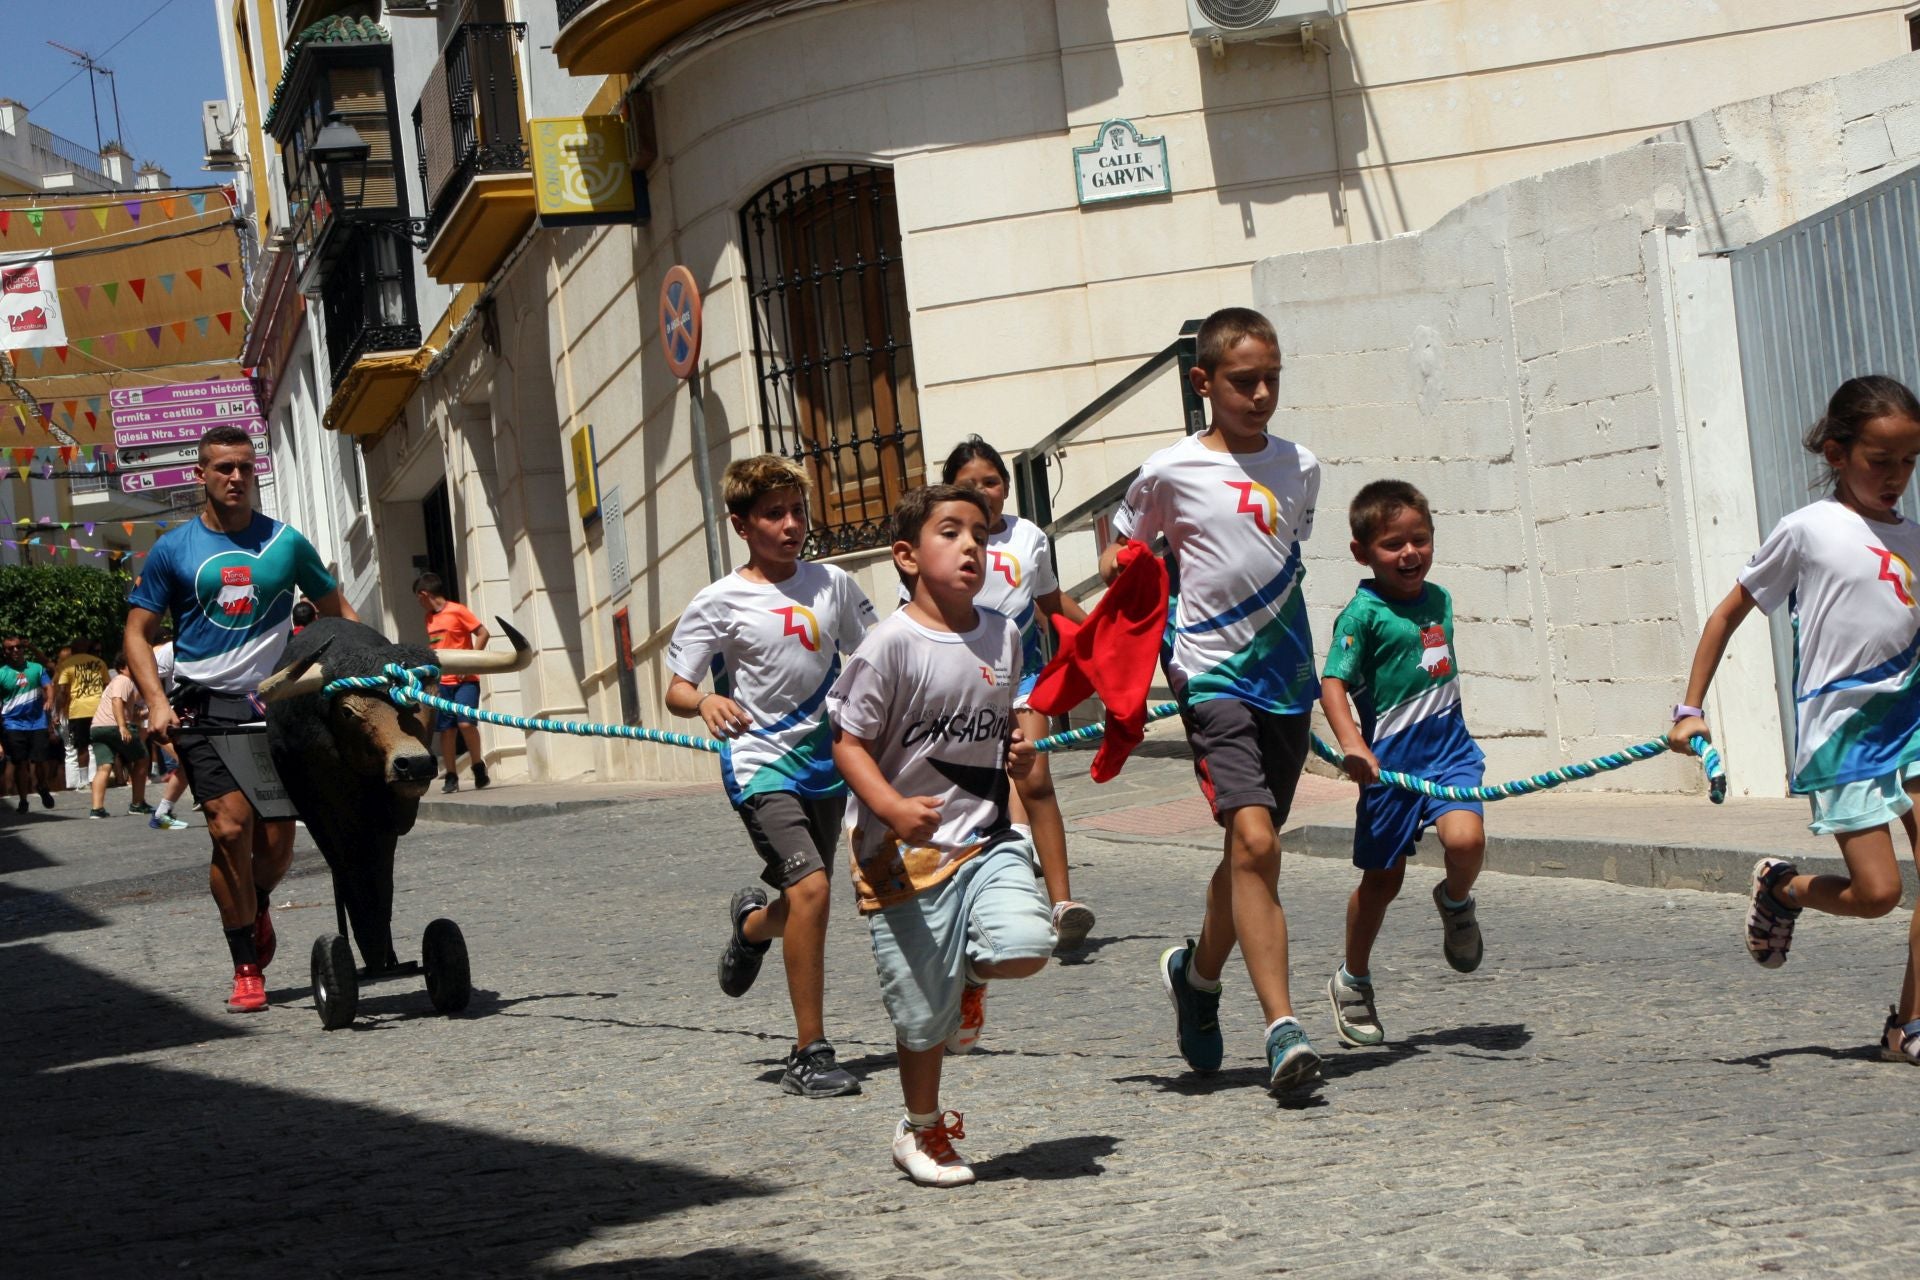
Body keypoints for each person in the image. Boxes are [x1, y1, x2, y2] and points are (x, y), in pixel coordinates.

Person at [1099, 306, 1323, 1094]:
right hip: (1210, 675)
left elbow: (1286, 554)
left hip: (1287, 679)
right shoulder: (1170, 470)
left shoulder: (1302, 464)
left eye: (1271, 379)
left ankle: (1196, 975)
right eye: (1242, 381)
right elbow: (1121, 543)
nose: (1260, 394)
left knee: (1247, 854)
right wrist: (1125, 578)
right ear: (1204, 382)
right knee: (1257, 845)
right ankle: (1283, 1029)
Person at [1671, 375, 1920, 1065]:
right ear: (1837, 453)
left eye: (1909, 461)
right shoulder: (1808, 530)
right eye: (1880, 460)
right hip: (1842, 737)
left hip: (1913, 720)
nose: (1896, 476)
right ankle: (1783, 889)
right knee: (1879, 895)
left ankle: (1909, 1028)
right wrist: (1690, 710)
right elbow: (1728, 614)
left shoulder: (1916, 539)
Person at [830, 484, 1055, 1186]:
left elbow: (1003, 726)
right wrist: (892, 809)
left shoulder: (1005, 633)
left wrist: (1019, 754)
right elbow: (848, 744)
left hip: (987, 834)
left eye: (981, 537)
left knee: (1025, 944)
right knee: (920, 1016)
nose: (971, 548)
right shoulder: (888, 646)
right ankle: (921, 1132)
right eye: (951, 533)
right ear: (906, 555)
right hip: (902, 856)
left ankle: (969, 981)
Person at [126, 423, 356, 1013]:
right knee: (230, 830)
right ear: (200, 475)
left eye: (245, 467)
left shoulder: (285, 542)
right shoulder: (174, 549)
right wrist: (155, 701)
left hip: (275, 707)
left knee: (276, 846)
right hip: (205, 710)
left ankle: (251, 904)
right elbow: (137, 633)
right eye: (223, 467)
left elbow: (336, 614)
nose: (235, 477)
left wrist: (377, 667)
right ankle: (245, 964)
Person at [666, 455, 877, 1099]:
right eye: (774, 514)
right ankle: (808, 1054)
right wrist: (704, 702)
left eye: (798, 511)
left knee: (799, 902)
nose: (791, 525)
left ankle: (751, 928)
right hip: (761, 764)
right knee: (813, 891)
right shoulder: (718, 601)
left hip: (826, 762)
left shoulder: (833, 584)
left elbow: (875, 656)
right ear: (741, 524)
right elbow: (677, 687)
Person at [1318, 480, 1488, 1047]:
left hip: (1449, 757)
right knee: (1382, 881)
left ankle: (1455, 901)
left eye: (1420, 539)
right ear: (1361, 552)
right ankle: (1353, 979)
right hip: (1389, 769)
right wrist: (1353, 745)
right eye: (1393, 544)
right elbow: (1333, 683)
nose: (1410, 553)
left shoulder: (1439, 600)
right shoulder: (1360, 616)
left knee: (1466, 843)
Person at [938, 437, 1096, 951]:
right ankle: (981, 902)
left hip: (1026, 673)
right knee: (981, 786)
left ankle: (1062, 902)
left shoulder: (1029, 536)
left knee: (1035, 775)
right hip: (966, 678)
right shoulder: (941, 539)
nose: (983, 492)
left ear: (1005, 486)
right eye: (968, 485)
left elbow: (1049, 598)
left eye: (991, 481)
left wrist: (1098, 630)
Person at [413, 573, 490, 793]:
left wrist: (471, 663)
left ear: (424, 594)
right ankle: (451, 775)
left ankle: (478, 767)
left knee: (466, 724)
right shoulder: (429, 618)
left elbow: (483, 633)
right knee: (446, 731)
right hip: (442, 682)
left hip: (465, 680)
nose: (419, 603)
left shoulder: (457, 610)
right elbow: (437, 645)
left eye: (418, 598)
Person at [86, 653, 151, 818]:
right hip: (115, 727)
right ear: (123, 668)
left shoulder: (116, 682)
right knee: (142, 759)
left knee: (104, 767)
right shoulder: (124, 680)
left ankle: (97, 809)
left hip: (98, 728)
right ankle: (137, 803)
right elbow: (117, 702)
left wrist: (147, 713)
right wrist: (122, 726)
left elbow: (129, 712)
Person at [0, 633, 58, 814]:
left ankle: (42, 786)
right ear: (5, 652)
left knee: (40, 760)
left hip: (37, 722)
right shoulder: (2, 673)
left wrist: (49, 700)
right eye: (11, 648)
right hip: (13, 724)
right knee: (19, 763)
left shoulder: (36, 668)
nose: (16, 650)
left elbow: (49, 686)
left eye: (19, 646)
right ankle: (23, 799)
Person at [146, 638, 191, 831]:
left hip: (201, 714)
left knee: (190, 764)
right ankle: (161, 813)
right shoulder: (172, 647)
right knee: (189, 763)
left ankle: (162, 813)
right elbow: (149, 676)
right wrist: (160, 706)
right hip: (181, 715)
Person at [55, 637, 110, 790]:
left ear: (72, 650)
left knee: (81, 747)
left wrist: (57, 713)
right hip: (98, 709)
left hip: (78, 710)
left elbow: (63, 692)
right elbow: (107, 687)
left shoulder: (67, 665)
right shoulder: (99, 663)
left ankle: (84, 781)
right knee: (100, 745)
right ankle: (101, 778)